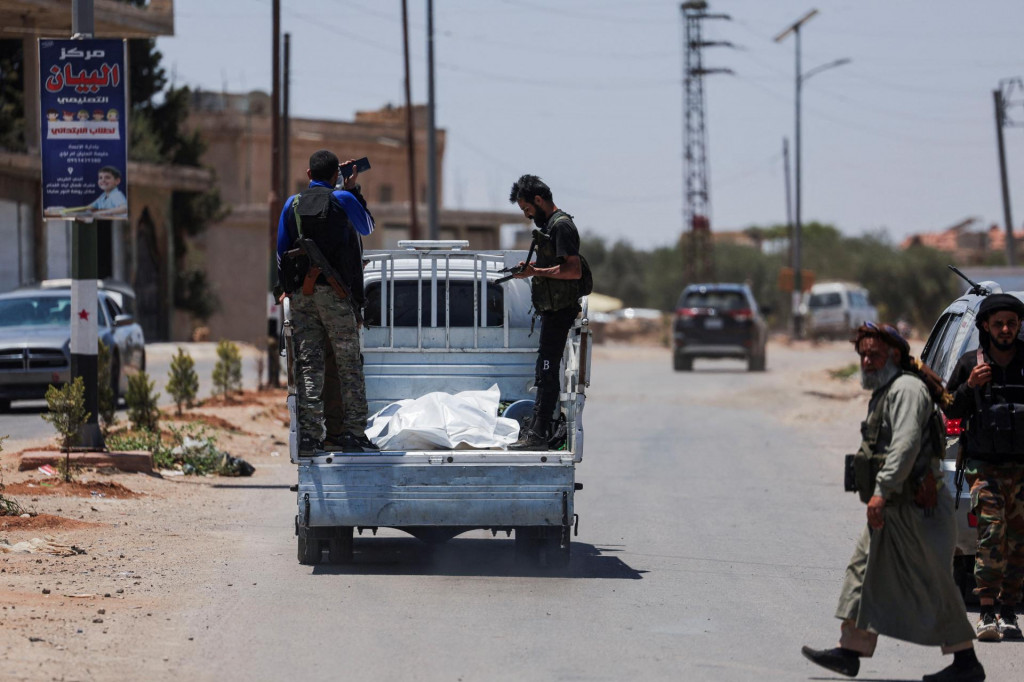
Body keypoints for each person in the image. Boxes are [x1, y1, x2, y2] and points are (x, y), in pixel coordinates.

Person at [802, 323, 984, 682]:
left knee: (937, 582)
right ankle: (850, 651)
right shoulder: (888, 390)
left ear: (895, 357)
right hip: (895, 507)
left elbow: (904, 446)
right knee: (861, 569)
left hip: (919, 508)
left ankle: (966, 662)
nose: (867, 361)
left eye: (876, 355)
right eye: (864, 354)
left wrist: (881, 491)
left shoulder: (906, 390)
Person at [277, 149, 378, 454]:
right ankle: (354, 433)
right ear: (336, 175)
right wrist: (351, 189)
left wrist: (285, 290)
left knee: (308, 365)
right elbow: (367, 228)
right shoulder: (343, 199)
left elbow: (281, 254)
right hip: (335, 295)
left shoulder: (291, 204)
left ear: (308, 174)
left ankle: (309, 436)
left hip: (303, 297)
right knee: (348, 365)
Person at [944, 293, 1024, 642]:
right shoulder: (968, 364)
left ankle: (1009, 612)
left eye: (1011, 323)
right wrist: (970, 386)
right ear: (986, 327)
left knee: (1018, 541)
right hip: (984, 467)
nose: (1005, 329)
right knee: (991, 533)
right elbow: (951, 410)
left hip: (1021, 468)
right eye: (998, 324)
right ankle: (987, 610)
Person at [506, 174, 583, 450]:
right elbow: (556, 264)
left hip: (560, 311)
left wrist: (535, 271)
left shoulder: (562, 227)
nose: (527, 215)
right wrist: (531, 267)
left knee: (547, 372)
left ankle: (538, 435)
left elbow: (573, 269)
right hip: (553, 311)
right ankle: (538, 432)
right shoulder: (551, 226)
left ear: (539, 201)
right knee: (545, 370)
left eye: (527, 209)